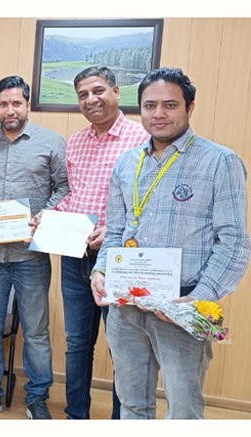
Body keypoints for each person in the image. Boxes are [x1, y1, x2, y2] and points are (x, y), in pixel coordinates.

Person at [91, 67, 250, 419]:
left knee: (184, 409)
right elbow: (115, 231)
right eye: (150, 105)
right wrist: (100, 271)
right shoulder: (126, 164)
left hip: (182, 305)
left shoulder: (220, 162)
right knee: (131, 402)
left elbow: (235, 243)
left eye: (170, 105)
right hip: (125, 306)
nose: (158, 114)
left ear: (189, 108)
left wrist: (198, 299)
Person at [38, 66, 149, 419]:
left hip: (118, 260)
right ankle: (76, 417)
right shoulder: (75, 141)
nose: (91, 100)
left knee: (123, 347)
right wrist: (47, 216)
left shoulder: (141, 139)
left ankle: (121, 420)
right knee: (77, 344)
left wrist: (113, 229)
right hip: (75, 255)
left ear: (116, 92)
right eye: (83, 95)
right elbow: (72, 196)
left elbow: (148, 204)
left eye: (98, 91)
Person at [0, 76, 68, 420]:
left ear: (27, 104)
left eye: (17, 103)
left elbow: (64, 187)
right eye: (3, 104)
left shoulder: (51, 142)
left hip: (31, 255)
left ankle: (37, 398)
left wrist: (44, 215)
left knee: (36, 331)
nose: (10, 110)